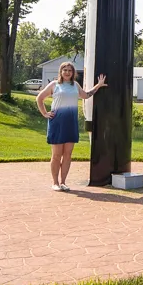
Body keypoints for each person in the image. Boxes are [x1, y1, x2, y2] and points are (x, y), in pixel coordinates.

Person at [36, 62, 107, 190]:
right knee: (57, 155)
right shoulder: (54, 85)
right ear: (61, 72)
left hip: (71, 123)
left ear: (73, 73)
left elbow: (86, 95)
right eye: (65, 70)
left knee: (68, 154)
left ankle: (63, 182)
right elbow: (39, 98)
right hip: (57, 123)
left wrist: (99, 85)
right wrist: (45, 113)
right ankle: (55, 183)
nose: (67, 72)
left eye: (70, 70)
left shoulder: (75, 86)